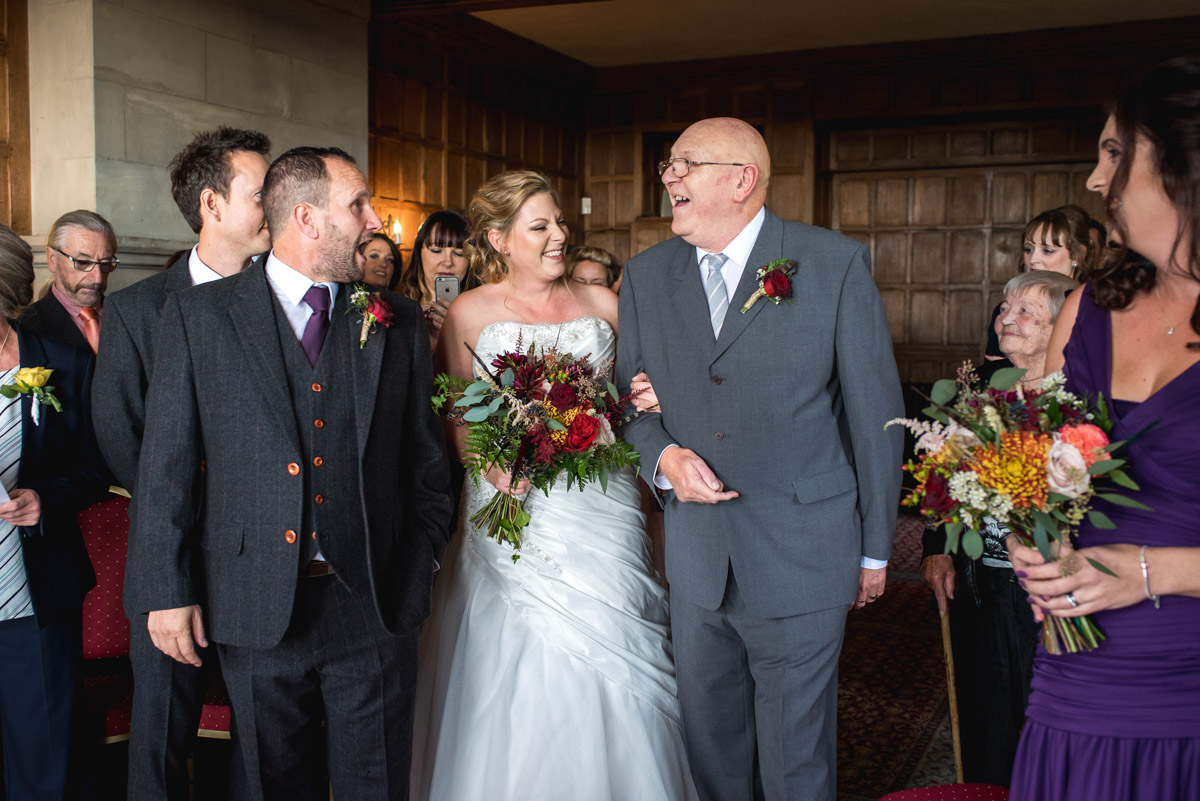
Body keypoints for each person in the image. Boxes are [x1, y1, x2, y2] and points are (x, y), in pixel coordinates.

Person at [128, 146, 453, 801]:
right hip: (253, 603)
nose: (375, 223)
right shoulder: (200, 316)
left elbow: (428, 462)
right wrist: (167, 589)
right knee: (272, 787)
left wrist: (419, 566)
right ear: (306, 217)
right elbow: (165, 468)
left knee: (378, 787)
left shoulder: (397, 322)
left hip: (374, 603)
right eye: (357, 205)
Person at [616, 117, 904, 801]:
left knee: (795, 762)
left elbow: (875, 418)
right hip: (698, 559)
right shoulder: (647, 276)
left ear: (742, 179)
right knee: (713, 754)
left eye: (685, 164)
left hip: (804, 550)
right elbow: (629, 403)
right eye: (668, 165)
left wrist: (875, 549)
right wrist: (664, 457)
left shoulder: (831, 263)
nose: (669, 177)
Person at [410, 170, 698, 801]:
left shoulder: (606, 306)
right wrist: (489, 463)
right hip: (509, 504)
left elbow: (639, 396)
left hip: (602, 503)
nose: (559, 236)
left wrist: (646, 395)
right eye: (540, 226)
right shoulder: (468, 312)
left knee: (617, 636)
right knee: (510, 651)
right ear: (499, 239)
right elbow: (453, 411)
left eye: (560, 222)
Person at [1007, 56, 1200, 800]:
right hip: (1078, 673)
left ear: (1184, 164)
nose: (1095, 179)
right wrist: (1031, 539)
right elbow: (1039, 470)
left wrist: (1149, 572)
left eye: (1115, 153)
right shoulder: (1086, 308)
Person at [93, 125, 272, 801]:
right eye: (261, 193)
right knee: (160, 740)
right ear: (212, 204)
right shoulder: (136, 310)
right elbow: (123, 437)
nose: (277, 207)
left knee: (264, 742)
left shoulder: (287, 303)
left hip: (267, 562)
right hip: (172, 559)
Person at [921, 269, 1075, 786]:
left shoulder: (1079, 400)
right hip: (982, 582)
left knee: (1049, 715)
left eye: (1027, 311)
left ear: (1063, 326)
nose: (1007, 318)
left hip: (1051, 590)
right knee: (987, 710)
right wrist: (939, 549)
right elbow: (941, 483)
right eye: (1005, 308)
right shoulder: (979, 395)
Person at [0, 223, 110, 800]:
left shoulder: (62, 364)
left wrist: (45, 498)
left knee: (42, 754)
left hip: (33, 589)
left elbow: (98, 465)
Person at [984, 205, 1095, 360]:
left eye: (1047, 251)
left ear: (1076, 256)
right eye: (1028, 249)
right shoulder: (1006, 310)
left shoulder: (1093, 309)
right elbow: (992, 367)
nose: (1033, 259)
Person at [19, 210, 119, 354]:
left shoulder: (129, 317)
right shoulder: (25, 328)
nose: (97, 278)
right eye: (82, 262)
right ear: (53, 259)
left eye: (105, 263)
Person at [396, 210, 474, 347]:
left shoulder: (484, 310)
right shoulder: (397, 309)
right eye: (436, 251)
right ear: (419, 254)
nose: (448, 262)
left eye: (459, 253)